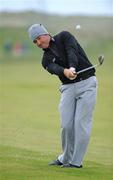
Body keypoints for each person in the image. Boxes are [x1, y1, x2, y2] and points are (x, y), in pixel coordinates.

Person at [28, 24, 98, 168]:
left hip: (87, 84)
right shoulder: (45, 60)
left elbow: (71, 51)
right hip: (68, 88)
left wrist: (72, 67)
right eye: (35, 42)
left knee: (81, 124)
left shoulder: (64, 36)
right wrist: (65, 72)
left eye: (38, 39)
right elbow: (54, 68)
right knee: (66, 125)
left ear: (45, 34)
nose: (38, 43)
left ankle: (76, 162)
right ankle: (65, 158)